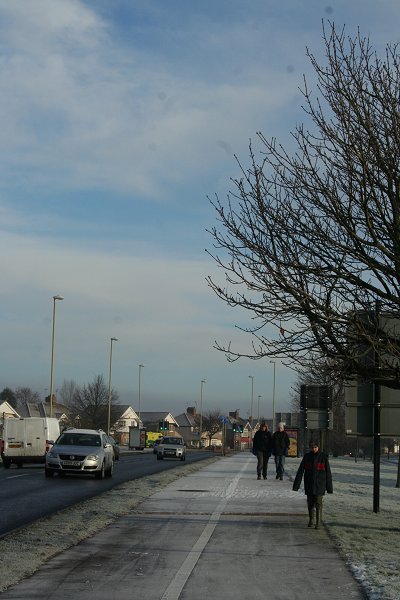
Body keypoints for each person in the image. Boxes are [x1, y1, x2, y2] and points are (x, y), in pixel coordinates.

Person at [292, 440, 333, 529]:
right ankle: (311, 520)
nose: (314, 449)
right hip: (309, 483)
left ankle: (318, 523)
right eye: (312, 447)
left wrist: (329, 487)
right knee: (310, 503)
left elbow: (328, 473)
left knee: (318, 503)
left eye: (315, 447)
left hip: (320, 484)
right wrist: (296, 485)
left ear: (318, 447)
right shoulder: (307, 457)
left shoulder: (323, 457)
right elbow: (300, 471)